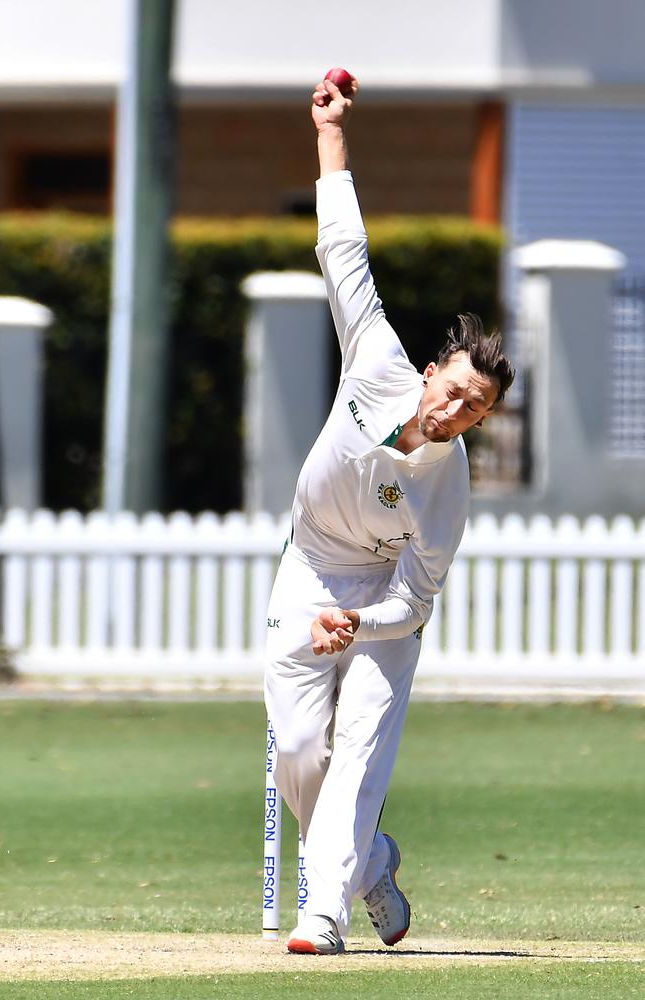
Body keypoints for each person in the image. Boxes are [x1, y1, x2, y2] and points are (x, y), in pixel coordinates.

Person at [264, 74, 515, 956]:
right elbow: (343, 251)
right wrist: (330, 136)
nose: (455, 413)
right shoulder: (376, 359)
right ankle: (372, 861)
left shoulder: (447, 491)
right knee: (300, 749)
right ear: (432, 371)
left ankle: (324, 913)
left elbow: (414, 604)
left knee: (359, 752)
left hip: (380, 611)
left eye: (475, 410)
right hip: (309, 566)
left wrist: (359, 624)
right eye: (454, 391)